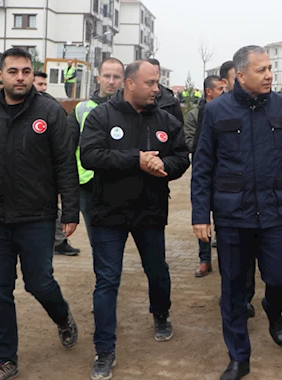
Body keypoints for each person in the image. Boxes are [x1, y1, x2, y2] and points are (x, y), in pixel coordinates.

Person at [191, 45, 282, 380]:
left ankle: (273, 310)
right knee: (233, 289)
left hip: (277, 212)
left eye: (269, 69)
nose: (268, 75)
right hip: (233, 215)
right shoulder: (217, 110)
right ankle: (239, 357)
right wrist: (199, 214)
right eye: (261, 70)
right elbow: (203, 166)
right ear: (241, 73)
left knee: (279, 278)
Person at [0, 47, 80, 380]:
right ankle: (4, 359)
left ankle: (63, 317)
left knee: (39, 283)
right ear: (1, 75)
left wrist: (71, 211)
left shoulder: (50, 113)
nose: (20, 77)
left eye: (25, 71)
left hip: (36, 217)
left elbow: (66, 163)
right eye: (13, 71)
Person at [80, 60, 190, 380]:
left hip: (150, 210)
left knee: (157, 269)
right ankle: (104, 349)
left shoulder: (166, 120)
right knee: (107, 281)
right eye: (151, 83)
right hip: (108, 213)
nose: (157, 89)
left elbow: (182, 157)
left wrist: (164, 166)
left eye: (157, 83)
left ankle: (161, 313)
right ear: (130, 84)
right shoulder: (101, 116)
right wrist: (136, 160)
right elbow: (90, 155)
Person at [68, 58, 126, 245]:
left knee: (116, 236)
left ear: (124, 80)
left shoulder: (130, 110)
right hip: (88, 184)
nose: (111, 81)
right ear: (98, 78)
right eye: (107, 76)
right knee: (96, 238)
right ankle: (103, 272)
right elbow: (68, 148)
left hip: (121, 182)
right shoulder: (81, 109)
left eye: (116, 77)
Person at [33, 70, 80, 256]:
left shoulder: (52, 107)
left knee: (51, 209)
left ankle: (58, 241)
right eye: (39, 84)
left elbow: (63, 149)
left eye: (44, 85)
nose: (43, 88)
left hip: (45, 175)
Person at [184, 74, 226, 278]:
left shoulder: (226, 111)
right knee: (202, 217)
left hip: (223, 173)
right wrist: (206, 147)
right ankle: (204, 260)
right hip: (203, 170)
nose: (223, 93)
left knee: (222, 215)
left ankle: (226, 260)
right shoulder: (195, 115)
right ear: (209, 91)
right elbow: (188, 140)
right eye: (219, 89)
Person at [146, 59, 184, 124]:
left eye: (156, 72)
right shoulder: (134, 98)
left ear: (159, 75)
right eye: (148, 72)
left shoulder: (171, 101)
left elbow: (178, 128)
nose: (152, 76)